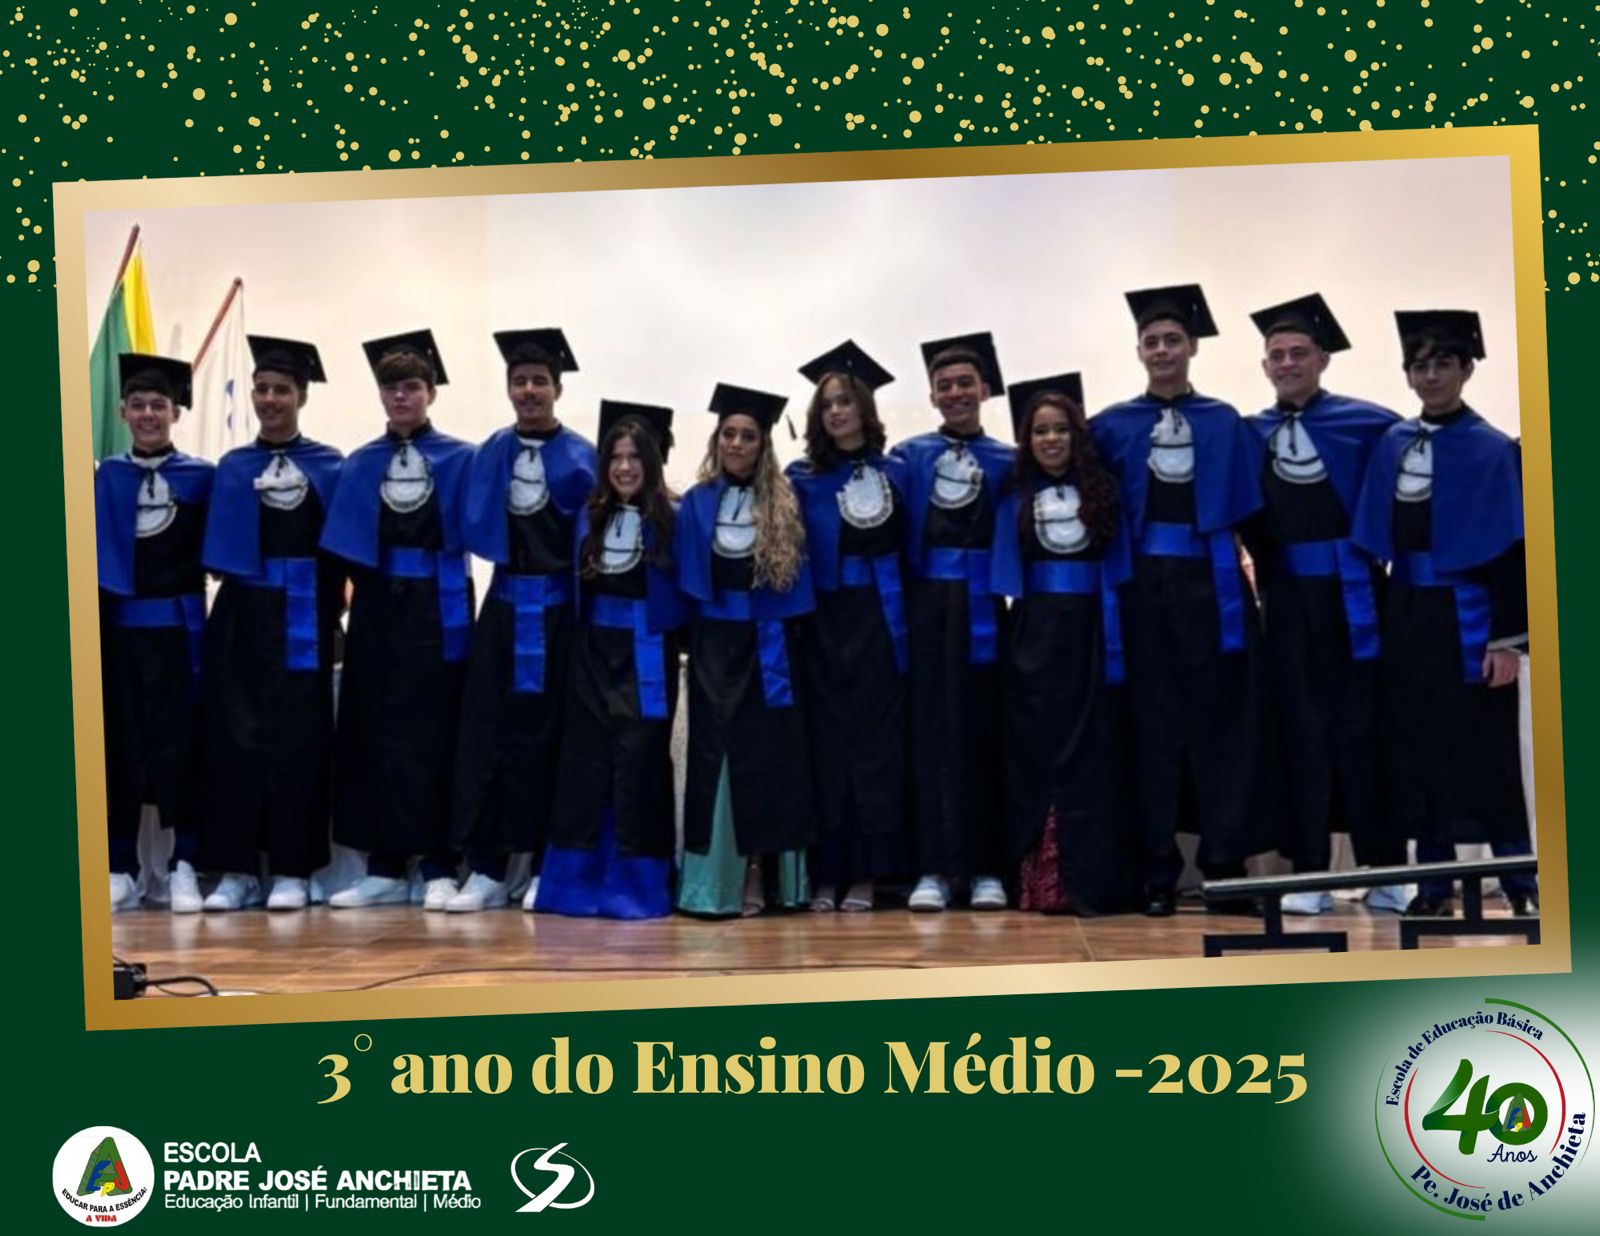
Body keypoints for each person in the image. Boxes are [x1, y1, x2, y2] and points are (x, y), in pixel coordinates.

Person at [1089, 285, 1275, 917]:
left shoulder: (1225, 421)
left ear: (1192, 347)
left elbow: (1257, 519)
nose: (1163, 350)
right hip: (1141, 594)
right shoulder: (1111, 426)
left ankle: (1224, 866)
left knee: (1223, 727)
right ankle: (1156, 872)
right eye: (1152, 341)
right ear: (1139, 351)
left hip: (1213, 590)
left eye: (1173, 340)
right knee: (1151, 730)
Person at [1351, 309, 1535, 917]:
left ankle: (1519, 880)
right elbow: (1378, 542)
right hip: (1408, 613)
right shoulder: (1393, 444)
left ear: (1466, 370)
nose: (1430, 377)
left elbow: (1512, 553)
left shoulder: (1492, 449)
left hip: (1470, 619)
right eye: (1420, 366)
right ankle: (1432, 887)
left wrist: (1507, 642)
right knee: (1416, 751)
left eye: (1443, 364)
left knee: (1487, 754)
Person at [1241, 294, 1407, 916]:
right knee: (1300, 733)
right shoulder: (1251, 432)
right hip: (1288, 599)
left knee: (1368, 731)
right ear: (1265, 366)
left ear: (1322, 359)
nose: (1287, 363)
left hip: (1358, 595)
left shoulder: (1370, 424)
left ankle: (1386, 869)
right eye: (1276, 355)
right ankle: (1309, 871)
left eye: (1298, 353)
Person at [320, 330, 474, 909]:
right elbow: (343, 549)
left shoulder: (462, 458)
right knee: (373, 727)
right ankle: (382, 865)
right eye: (391, 388)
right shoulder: (361, 462)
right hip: (379, 604)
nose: (401, 397)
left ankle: (437, 863)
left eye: (411, 386)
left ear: (430, 392)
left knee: (435, 728)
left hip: (439, 602)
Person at [448, 329, 597, 912]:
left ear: (557, 388)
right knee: (489, 734)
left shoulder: (583, 456)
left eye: (539, 381)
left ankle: (542, 866)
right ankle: (487, 868)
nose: (529, 390)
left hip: (561, 616)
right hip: (505, 610)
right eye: (519, 381)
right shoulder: (491, 451)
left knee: (554, 737)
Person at [196, 336, 344, 911]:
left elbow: (342, 552)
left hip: (305, 612)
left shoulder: (329, 465)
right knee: (234, 738)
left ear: (301, 396)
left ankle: (292, 867)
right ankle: (236, 870)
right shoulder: (234, 467)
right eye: (262, 389)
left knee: (299, 741)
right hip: (242, 614)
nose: (270, 399)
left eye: (282, 389)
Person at [990, 377, 1139, 915]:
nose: (1051, 440)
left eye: (1060, 430)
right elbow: (1007, 578)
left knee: (1095, 752)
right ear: (1027, 441)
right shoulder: (1013, 501)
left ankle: (1093, 880)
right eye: (1040, 431)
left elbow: (1120, 568)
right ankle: (1039, 881)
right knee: (1037, 748)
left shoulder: (1106, 495)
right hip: (1035, 637)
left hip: (1095, 634)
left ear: (1078, 436)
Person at [536, 402, 684, 919]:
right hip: (591, 649)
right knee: (585, 760)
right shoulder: (589, 516)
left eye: (635, 457)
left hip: (646, 651)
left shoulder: (673, 518)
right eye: (616, 457)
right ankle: (575, 885)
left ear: (652, 462)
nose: (624, 467)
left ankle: (637, 887)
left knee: (639, 761)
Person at [674, 383, 816, 917]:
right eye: (728, 434)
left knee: (769, 756)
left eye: (748, 436)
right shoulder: (697, 501)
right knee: (717, 757)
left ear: (763, 444)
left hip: (770, 642)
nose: (736, 443)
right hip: (714, 644)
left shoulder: (784, 502)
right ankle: (715, 882)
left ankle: (762, 873)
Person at [786, 341, 910, 913]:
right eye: (827, 404)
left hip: (882, 623)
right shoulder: (800, 478)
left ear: (865, 407)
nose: (836, 411)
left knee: (877, 747)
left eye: (845, 401)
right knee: (825, 747)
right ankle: (826, 871)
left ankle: (868, 872)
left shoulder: (899, 473)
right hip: (823, 626)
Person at [892, 332, 1014, 912]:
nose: (956, 392)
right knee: (929, 737)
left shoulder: (1009, 461)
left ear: (985, 389)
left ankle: (988, 867)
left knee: (984, 733)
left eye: (966, 382)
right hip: (926, 610)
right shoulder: (908, 457)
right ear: (933, 396)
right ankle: (932, 868)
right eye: (945, 385)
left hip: (986, 607)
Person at [97, 353, 214, 914]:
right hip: (119, 635)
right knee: (119, 746)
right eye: (138, 404)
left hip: (181, 634)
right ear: (123, 412)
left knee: (183, 747)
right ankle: (120, 866)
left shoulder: (203, 477)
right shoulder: (105, 478)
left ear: (175, 413)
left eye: (159, 405)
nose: (148, 414)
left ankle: (184, 864)